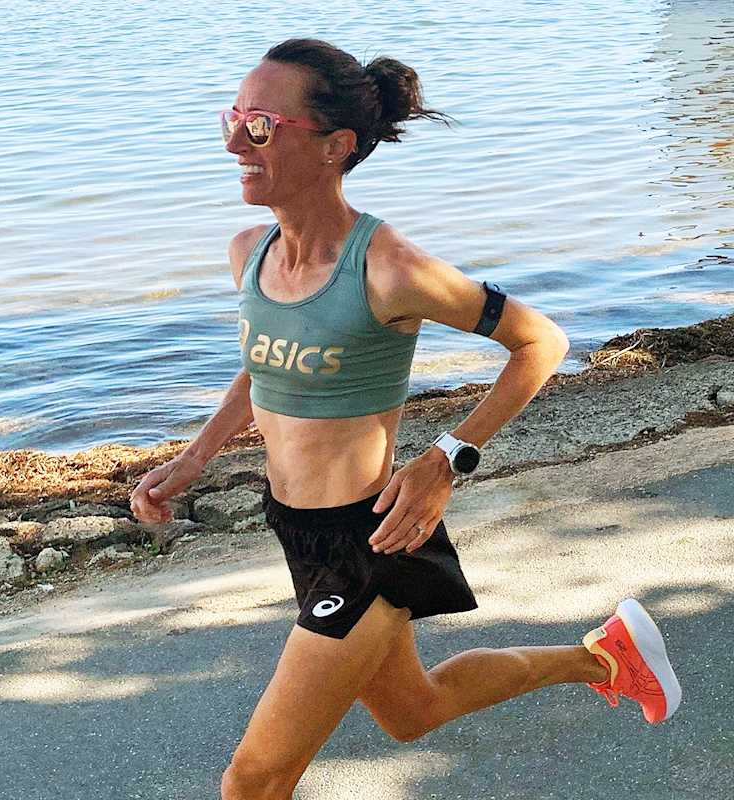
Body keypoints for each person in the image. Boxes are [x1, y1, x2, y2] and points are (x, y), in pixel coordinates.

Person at [129, 38, 682, 800]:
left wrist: (445, 459)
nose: (233, 143)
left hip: (371, 541)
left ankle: (607, 658)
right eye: (233, 119)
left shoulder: (388, 269)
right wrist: (196, 457)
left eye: (260, 127)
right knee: (412, 711)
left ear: (334, 146)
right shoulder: (250, 254)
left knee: (252, 781)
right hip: (297, 530)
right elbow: (267, 366)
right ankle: (607, 657)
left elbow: (540, 342)